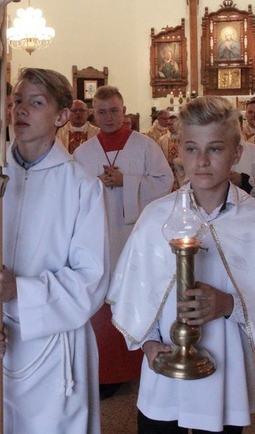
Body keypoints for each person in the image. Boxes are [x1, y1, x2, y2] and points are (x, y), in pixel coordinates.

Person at [108, 96, 255, 432]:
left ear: (237, 154)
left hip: (227, 372)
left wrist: (228, 304)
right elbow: (134, 291)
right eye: (192, 148)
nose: (202, 161)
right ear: (178, 151)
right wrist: (148, 344)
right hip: (165, 373)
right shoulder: (156, 218)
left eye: (216, 149)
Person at [0, 68, 107, 433]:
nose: (21, 111)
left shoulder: (82, 187)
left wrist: (22, 291)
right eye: (17, 101)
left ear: (62, 116)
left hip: (54, 347)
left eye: (36, 102)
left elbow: (91, 278)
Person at [74, 86, 173, 395]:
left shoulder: (145, 146)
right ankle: (104, 370)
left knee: (134, 297)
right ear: (94, 113)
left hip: (135, 239)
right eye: (101, 111)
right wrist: (95, 187)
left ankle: (136, 363)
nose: (108, 117)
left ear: (124, 110)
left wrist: (126, 183)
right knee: (101, 304)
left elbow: (165, 183)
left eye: (114, 111)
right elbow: (72, 194)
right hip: (97, 241)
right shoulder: (82, 153)